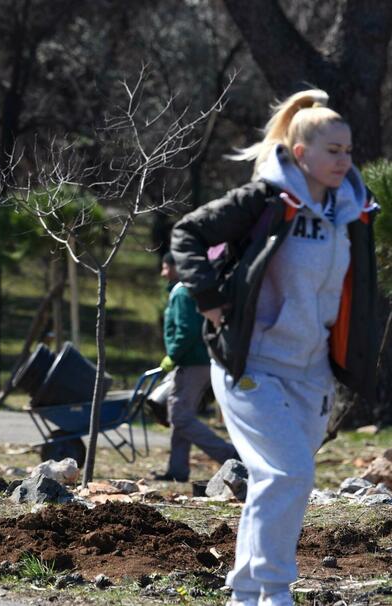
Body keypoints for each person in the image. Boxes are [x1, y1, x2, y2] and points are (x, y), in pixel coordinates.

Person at [171, 89, 378, 606]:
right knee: (288, 472)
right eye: (333, 150)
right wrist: (211, 301)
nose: (344, 160)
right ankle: (276, 593)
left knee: (279, 481)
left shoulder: (352, 213)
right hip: (251, 363)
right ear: (300, 152)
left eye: (349, 150)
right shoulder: (265, 200)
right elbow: (187, 234)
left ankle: (246, 594)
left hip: (313, 373)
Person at [152, 252, 238, 482]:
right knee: (181, 415)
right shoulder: (190, 290)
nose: (163, 272)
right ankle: (177, 470)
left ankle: (232, 456)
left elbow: (186, 330)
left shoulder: (181, 292)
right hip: (197, 360)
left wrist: (173, 356)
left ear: (177, 267)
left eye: (165, 267)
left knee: (180, 417)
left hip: (191, 362)